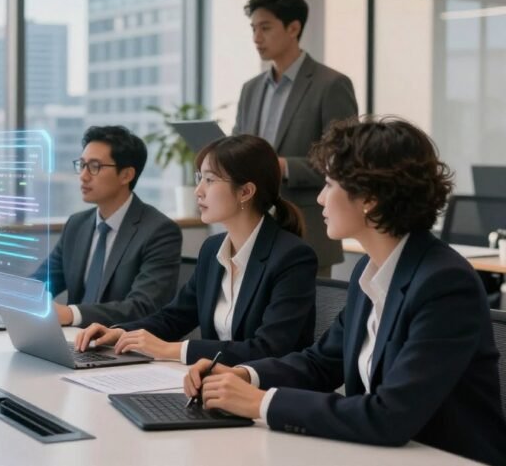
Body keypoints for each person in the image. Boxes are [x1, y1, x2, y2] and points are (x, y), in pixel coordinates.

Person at [184, 117, 506, 466]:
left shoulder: (443, 284)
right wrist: (244, 375)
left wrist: (259, 402)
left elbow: (391, 415)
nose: (320, 198)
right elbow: (321, 362)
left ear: (368, 197)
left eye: (329, 184)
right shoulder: (368, 273)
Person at [75, 135, 317, 365]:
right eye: (199, 177)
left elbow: (269, 348)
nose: (198, 190)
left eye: (209, 180)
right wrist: (118, 333)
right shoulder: (213, 249)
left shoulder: (292, 257)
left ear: (245, 192)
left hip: (264, 394)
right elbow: (174, 317)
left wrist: (173, 349)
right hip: (212, 385)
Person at [0, 125, 181, 327]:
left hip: (123, 346)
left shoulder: (159, 231)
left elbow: (142, 307)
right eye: (81, 165)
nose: (83, 176)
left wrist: (70, 313)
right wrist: (10, 297)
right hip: (72, 343)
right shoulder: (77, 225)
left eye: (95, 167)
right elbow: (44, 281)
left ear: (126, 175)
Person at [234, 0, 358, 275]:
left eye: (265, 28)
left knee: (310, 317)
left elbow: (345, 161)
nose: (256, 38)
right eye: (253, 28)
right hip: (253, 227)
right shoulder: (251, 89)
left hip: (308, 229)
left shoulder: (331, 84)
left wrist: (283, 166)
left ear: (293, 28)